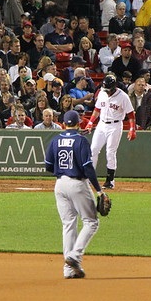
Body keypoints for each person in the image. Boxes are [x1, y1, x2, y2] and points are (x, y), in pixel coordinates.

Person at [44, 109, 104, 279]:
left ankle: (68, 269)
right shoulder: (81, 141)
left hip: (60, 184)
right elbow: (88, 167)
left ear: (63, 124)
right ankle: (75, 256)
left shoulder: (55, 140)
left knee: (68, 224)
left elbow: (48, 166)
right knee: (91, 222)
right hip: (78, 184)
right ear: (79, 123)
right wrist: (99, 190)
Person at [86, 75, 136, 189]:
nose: (107, 92)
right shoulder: (102, 93)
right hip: (102, 124)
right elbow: (97, 109)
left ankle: (110, 180)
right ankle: (90, 178)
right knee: (93, 149)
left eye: (108, 90)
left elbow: (131, 114)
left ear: (114, 87)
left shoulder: (123, 96)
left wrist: (132, 129)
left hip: (115, 125)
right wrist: (90, 122)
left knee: (110, 152)